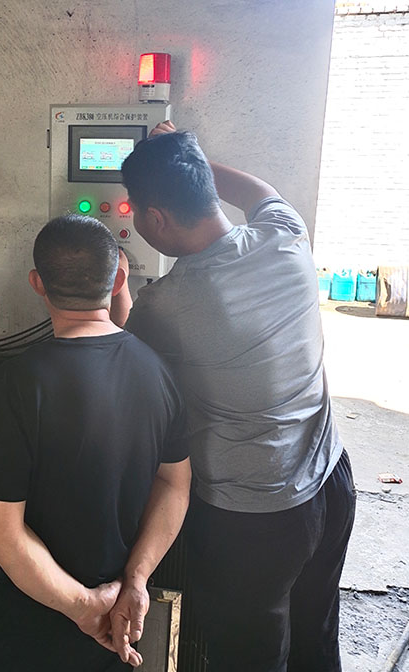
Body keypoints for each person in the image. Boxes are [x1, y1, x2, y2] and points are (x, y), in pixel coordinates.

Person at [111, 122, 356, 672]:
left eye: (135, 209)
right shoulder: (286, 235)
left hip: (252, 520)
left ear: (156, 219)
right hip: (331, 482)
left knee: (249, 656)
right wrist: (189, 151)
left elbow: (126, 363)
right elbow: (256, 191)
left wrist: (119, 288)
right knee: (316, 633)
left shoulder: (166, 305)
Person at [0, 214, 191, 672]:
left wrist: (82, 605)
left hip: (31, 622)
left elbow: (1, 534)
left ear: (37, 284)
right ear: (118, 280)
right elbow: (174, 485)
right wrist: (136, 579)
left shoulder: (15, 385)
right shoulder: (159, 374)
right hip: (118, 624)